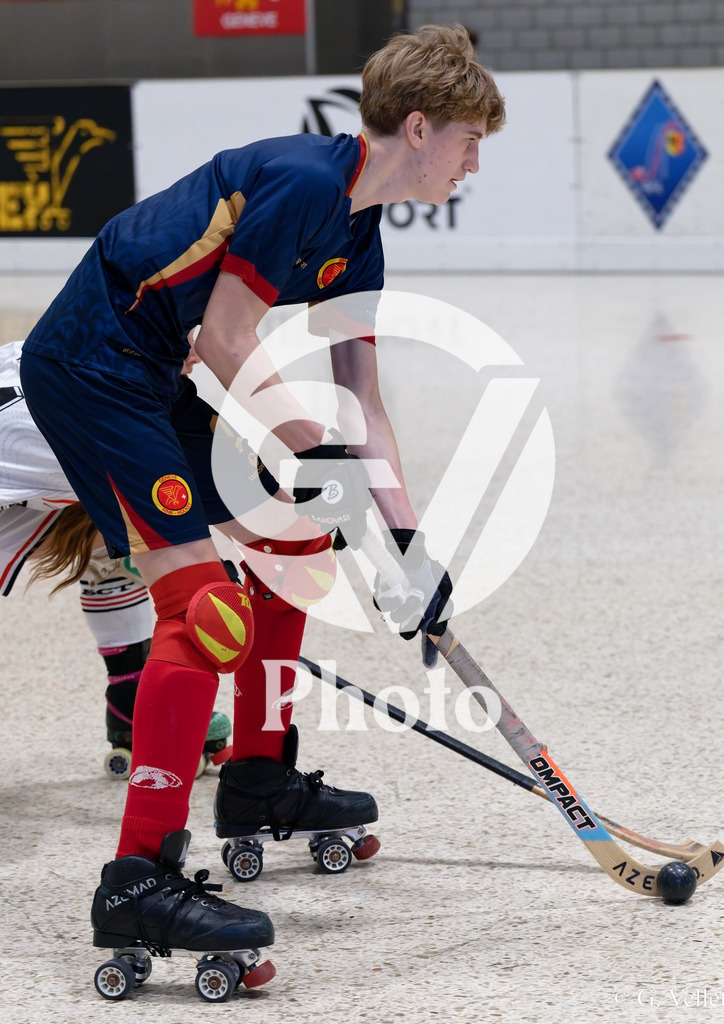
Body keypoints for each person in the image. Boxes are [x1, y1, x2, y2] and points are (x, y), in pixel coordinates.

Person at [20, 24, 506, 983]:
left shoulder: (358, 232)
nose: (474, 162)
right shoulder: (304, 182)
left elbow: (362, 403)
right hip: (88, 367)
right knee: (201, 609)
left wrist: (408, 542)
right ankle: (137, 879)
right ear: (419, 129)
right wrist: (309, 448)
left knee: (294, 538)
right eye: (469, 141)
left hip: (150, 371)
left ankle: (256, 778)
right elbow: (230, 334)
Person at [0, 339, 232, 780]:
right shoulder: (94, 421)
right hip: (23, 461)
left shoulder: (48, 351)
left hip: (23, 473)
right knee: (130, 534)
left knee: (111, 542)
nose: (198, 349)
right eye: (182, 329)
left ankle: (129, 695)